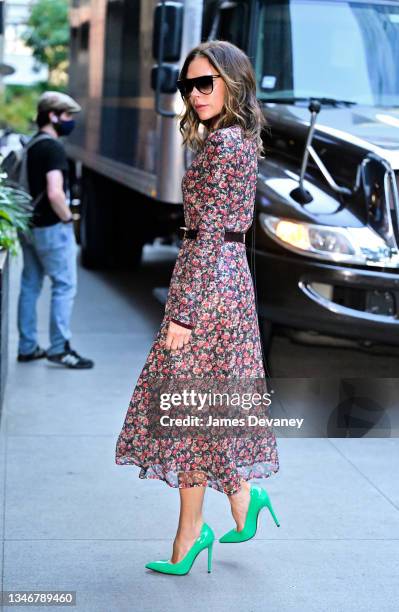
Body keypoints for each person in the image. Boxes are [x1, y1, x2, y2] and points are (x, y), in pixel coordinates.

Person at [115, 40, 280, 575]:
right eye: (189, 85)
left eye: (206, 82)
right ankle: (233, 501)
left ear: (233, 82)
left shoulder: (226, 144)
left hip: (208, 287)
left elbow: (208, 234)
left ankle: (193, 533)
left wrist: (183, 312)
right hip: (223, 280)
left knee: (188, 408)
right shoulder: (232, 139)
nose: (196, 93)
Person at [17, 91, 94, 369]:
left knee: (30, 285)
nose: (70, 121)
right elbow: (55, 193)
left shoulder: (32, 144)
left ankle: (27, 347)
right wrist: (67, 220)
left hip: (29, 227)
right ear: (52, 115)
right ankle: (60, 348)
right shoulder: (53, 148)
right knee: (64, 286)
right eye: (67, 116)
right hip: (51, 227)